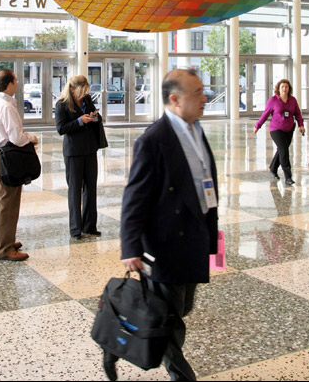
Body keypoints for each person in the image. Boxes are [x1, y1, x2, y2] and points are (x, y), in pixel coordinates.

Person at [111, 68, 218, 382]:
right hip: (166, 243)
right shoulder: (154, 140)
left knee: (181, 309)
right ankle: (181, 375)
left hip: (194, 239)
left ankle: (145, 342)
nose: (205, 97)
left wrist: (213, 239)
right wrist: (130, 247)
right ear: (175, 99)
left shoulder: (195, 130)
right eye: (197, 93)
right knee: (169, 320)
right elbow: (135, 197)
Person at [0, 69, 38, 261]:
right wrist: (31, 138)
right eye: (15, 80)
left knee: (3, 202)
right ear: (9, 84)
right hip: (8, 158)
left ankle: (5, 240)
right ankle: (5, 248)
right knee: (8, 204)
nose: (17, 83)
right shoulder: (7, 106)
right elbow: (16, 137)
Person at [55, 75, 102, 240]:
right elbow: (61, 128)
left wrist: (95, 118)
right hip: (73, 152)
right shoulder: (62, 104)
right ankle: (75, 229)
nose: (84, 94)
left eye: (86, 91)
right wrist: (80, 121)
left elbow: (98, 117)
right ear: (72, 89)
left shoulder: (87, 100)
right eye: (81, 91)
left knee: (91, 188)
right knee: (75, 190)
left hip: (90, 149)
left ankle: (89, 226)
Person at [254, 79, 305, 186]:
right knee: (284, 150)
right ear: (278, 88)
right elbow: (265, 114)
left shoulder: (292, 100)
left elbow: (297, 113)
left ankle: (273, 168)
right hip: (276, 129)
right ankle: (288, 176)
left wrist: (301, 125)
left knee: (282, 149)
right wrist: (258, 125)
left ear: (289, 89)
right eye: (282, 87)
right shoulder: (273, 100)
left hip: (289, 129)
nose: (284, 89)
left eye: (286, 87)